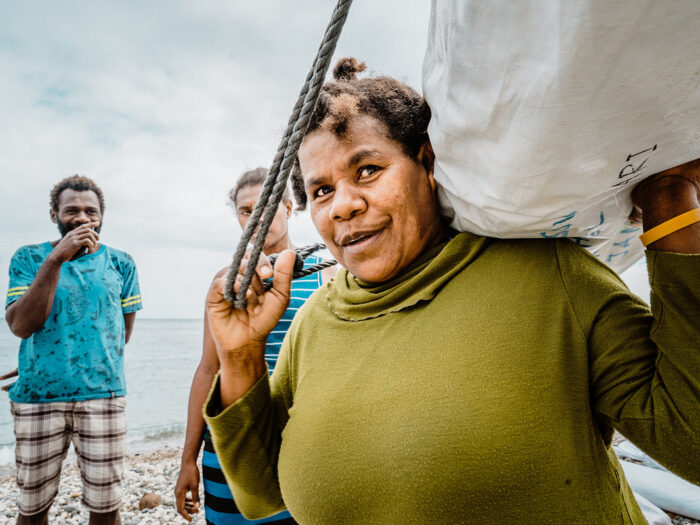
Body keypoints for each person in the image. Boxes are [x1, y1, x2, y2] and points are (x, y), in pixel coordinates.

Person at [200, 58, 700, 524]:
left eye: (368, 170)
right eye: (321, 190)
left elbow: (690, 440)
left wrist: (670, 205)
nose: (342, 206)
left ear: (427, 162)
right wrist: (240, 355)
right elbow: (263, 492)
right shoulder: (316, 321)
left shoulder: (547, 276)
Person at [174, 167, 335, 524]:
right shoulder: (226, 285)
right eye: (246, 211)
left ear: (289, 209)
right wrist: (187, 460)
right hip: (230, 445)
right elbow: (207, 370)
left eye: (266, 206)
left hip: (301, 442)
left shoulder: (328, 275)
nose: (255, 217)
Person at [5, 175, 142, 525]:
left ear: (101, 216)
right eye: (72, 211)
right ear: (55, 214)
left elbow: (118, 335)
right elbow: (21, 325)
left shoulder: (122, 263)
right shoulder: (29, 258)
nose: (82, 218)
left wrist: (70, 359)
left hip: (104, 397)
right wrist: (56, 260)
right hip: (38, 399)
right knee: (32, 510)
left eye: (90, 212)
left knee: (105, 509)